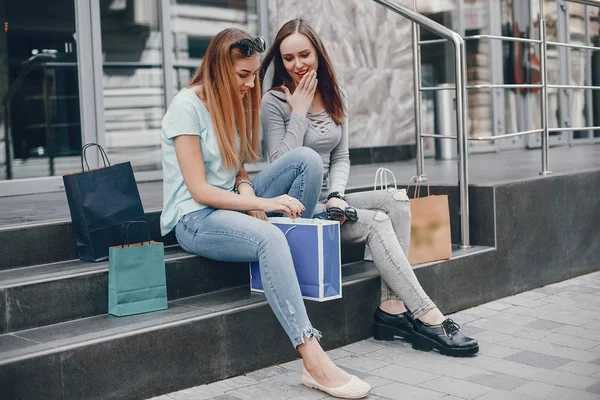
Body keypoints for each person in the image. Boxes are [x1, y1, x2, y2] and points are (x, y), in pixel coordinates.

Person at [160, 28, 371, 399]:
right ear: (218, 68)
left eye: (255, 74)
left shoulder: (231, 100)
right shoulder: (185, 106)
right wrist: (264, 204)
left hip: (233, 202)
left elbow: (235, 166)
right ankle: (313, 359)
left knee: (306, 159)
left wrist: (245, 186)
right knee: (270, 235)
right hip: (195, 218)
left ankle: (286, 249)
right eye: (243, 75)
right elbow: (199, 189)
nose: (251, 83)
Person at [260, 19, 479, 357]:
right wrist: (299, 113)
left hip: (327, 202)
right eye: (288, 58)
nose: (297, 64)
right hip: (297, 207)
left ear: (318, 52)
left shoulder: (336, 94)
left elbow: (342, 157)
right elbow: (279, 163)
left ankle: (391, 312)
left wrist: (337, 195)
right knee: (377, 221)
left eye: (304, 54)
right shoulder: (274, 101)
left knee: (396, 200)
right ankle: (428, 315)